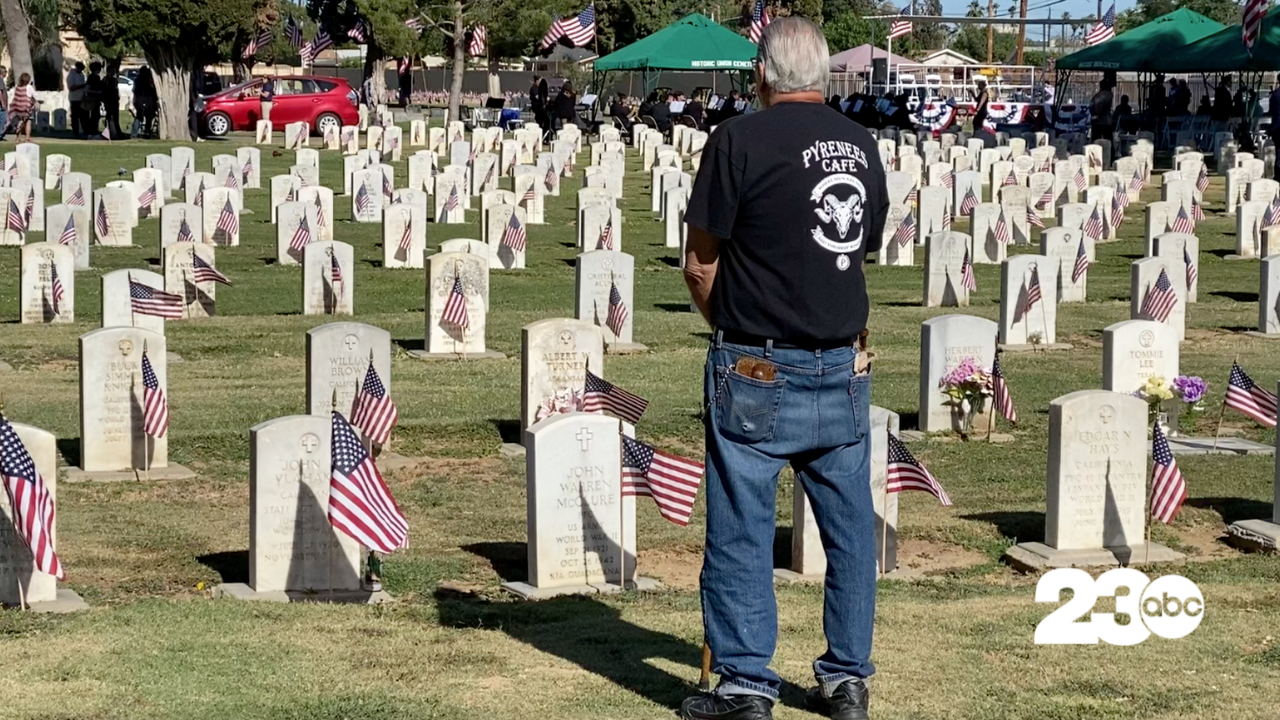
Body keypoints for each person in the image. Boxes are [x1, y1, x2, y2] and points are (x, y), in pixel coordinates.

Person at [680, 16, 888, 720]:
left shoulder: (736, 140)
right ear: (823, 73)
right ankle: (847, 679)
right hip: (841, 364)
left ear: (761, 73)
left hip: (756, 368)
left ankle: (744, 686)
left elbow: (700, 265)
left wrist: (734, 337)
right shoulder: (860, 145)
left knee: (741, 528)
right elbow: (857, 251)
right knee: (851, 530)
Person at [8, 73, 35, 142]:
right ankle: (27, 137)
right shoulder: (29, 87)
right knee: (28, 122)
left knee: (19, 121)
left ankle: (18, 137)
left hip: (18, 108)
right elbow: (34, 96)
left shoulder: (17, 86)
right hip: (26, 109)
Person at [131, 67, 157, 138]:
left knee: (147, 116)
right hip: (143, 101)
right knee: (141, 116)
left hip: (144, 102)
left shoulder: (141, 80)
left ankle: (144, 130)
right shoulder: (142, 81)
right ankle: (138, 131)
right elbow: (139, 91)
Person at [101, 65, 122, 139]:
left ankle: (116, 132)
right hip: (108, 100)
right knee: (109, 117)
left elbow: (116, 89)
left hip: (114, 100)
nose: (113, 73)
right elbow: (104, 91)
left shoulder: (114, 80)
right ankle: (109, 132)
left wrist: (117, 96)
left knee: (115, 117)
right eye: (112, 71)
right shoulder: (105, 80)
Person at [67, 62, 87, 137]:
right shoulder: (71, 76)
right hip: (74, 98)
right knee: (75, 116)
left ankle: (84, 130)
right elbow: (71, 87)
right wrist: (81, 86)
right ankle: (75, 131)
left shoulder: (81, 75)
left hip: (81, 98)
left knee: (83, 116)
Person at [84, 61, 103, 137]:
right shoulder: (91, 77)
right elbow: (87, 89)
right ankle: (92, 132)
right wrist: (97, 92)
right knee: (93, 116)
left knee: (97, 115)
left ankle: (95, 131)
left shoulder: (98, 77)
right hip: (92, 99)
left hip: (97, 100)